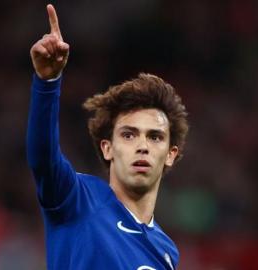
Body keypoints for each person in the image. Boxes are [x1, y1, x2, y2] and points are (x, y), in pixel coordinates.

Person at [27, 4, 189, 270]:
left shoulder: (166, 251)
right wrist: (47, 83)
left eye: (155, 137)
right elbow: (42, 158)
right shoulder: (78, 199)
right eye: (128, 135)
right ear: (107, 148)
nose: (142, 146)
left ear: (171, 154)